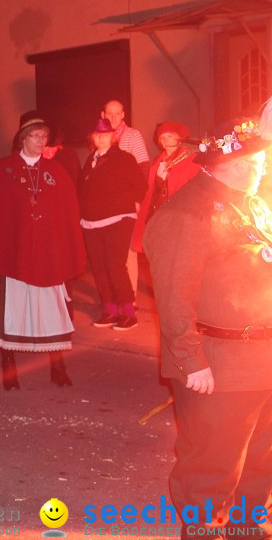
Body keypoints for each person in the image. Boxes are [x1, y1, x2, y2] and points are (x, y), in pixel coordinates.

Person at [144, 118, 272, 540]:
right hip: (218, 362)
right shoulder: (185, 213)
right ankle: (202, 529)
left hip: (262, 359)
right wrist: (190, 361)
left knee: (261, 457)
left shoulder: (252, 203)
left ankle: (247, 525)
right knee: (212, 460)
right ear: (232, 165)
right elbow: (174, 298)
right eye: (257, 162)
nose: (264, 169)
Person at [0, 111, 84, 390]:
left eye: (44, 136)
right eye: (36, 136)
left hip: (48, 257)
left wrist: (71, 250)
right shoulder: (2, 169)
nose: (42, 141)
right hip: (13, 254)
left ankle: (58, 365)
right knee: (12, 310)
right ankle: (9, 366)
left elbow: (69, 213)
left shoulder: (56, 171)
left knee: (53, 310)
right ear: (22, 139)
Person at [79, 119, 147, 331]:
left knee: (115, 265)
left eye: (105, 134)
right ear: (92, 137)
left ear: (112, 137)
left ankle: (128, 314)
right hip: (91, 222)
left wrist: (129, 205)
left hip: (117, 220)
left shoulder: (124, 158)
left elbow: (140, 185)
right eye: (97, 135)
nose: (101, 138)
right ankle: (110, 311)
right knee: (99, 268)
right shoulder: (91, 159)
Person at [131, 121, 199, 255]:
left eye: (170, 136)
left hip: (180, 214)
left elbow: (195, 187)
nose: (166, 140)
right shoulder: (158, 162)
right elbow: (151, 190)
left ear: (178, 138)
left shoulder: (190, 158)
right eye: (163, 137)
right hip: (159, 214)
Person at [102, 100, 150, 168]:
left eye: (117, 114)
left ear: (122, 115)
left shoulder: (133, 135)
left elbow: (144, 168)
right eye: (110, 114)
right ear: (103, 115)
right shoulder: (99, 138)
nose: (113, 118)